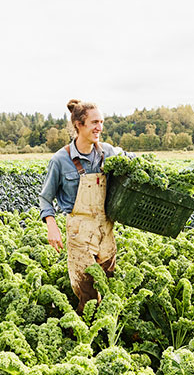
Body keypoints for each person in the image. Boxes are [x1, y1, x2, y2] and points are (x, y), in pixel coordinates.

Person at [39, 99, 131, 314]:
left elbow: (133, 161)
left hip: (105, 229)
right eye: (94, 122)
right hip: (80, 231)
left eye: (102, 122)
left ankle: (105, 333)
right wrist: (51, 227)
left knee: (108, 284)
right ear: (79, 125)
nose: (99, 127)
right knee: (88, 292)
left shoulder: (107, 152)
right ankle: (80, 334)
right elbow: (45, 198)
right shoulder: (61, 160)